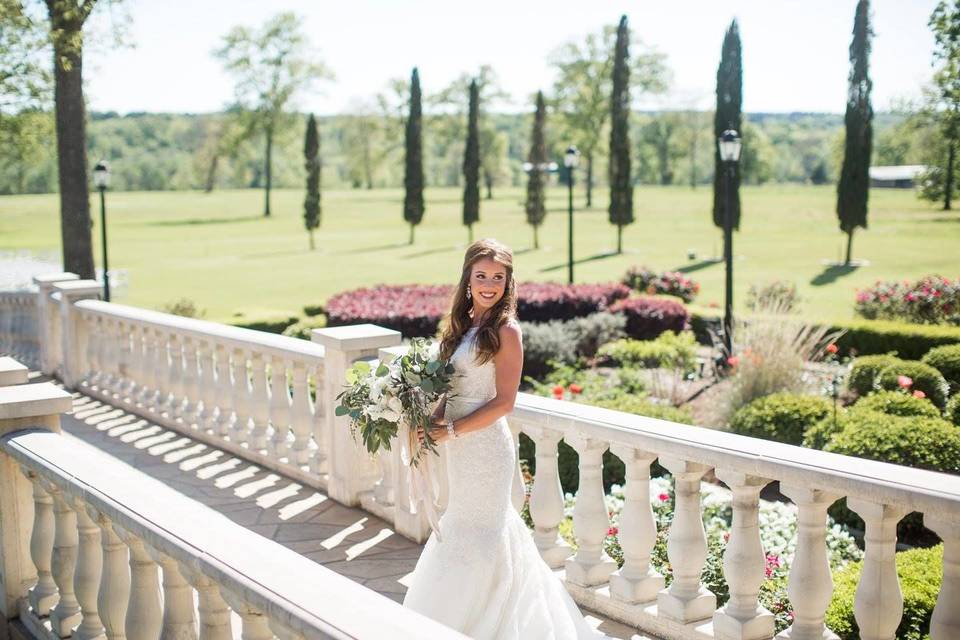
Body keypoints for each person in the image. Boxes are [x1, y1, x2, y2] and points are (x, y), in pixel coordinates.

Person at [402, 238, 605, 639]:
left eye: (498, 277)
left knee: (480, 531)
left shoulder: (506, 331)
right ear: (468, 280)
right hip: (458, 447)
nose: (489, 284)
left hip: (486, 448)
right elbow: (453, 388)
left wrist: (454, 429)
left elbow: (504, 402)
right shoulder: (462, 327)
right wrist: (430, 419)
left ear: (508, 281)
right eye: (481, 276)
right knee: (463, 525)